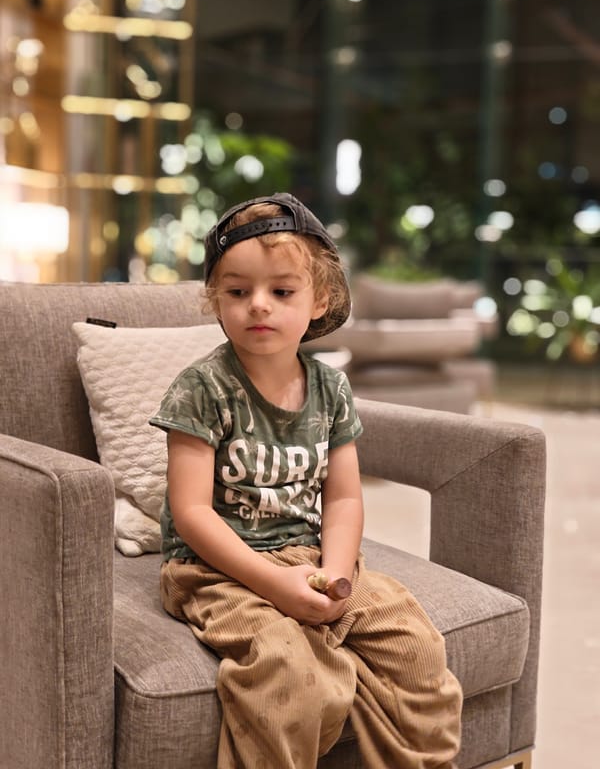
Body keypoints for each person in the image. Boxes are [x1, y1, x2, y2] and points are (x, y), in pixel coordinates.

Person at [150, 192, 462, 769]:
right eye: (238, 291)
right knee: (289, 674)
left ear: (320, 299)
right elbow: (191, 515)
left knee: (416, 645)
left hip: (311, 555)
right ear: (215, 300)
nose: (258, 306)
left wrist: (337, 576)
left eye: (282, 291)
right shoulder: (202, 388)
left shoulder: (331, 389)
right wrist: (274, 586)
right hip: (214, 569)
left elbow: (343, 497)